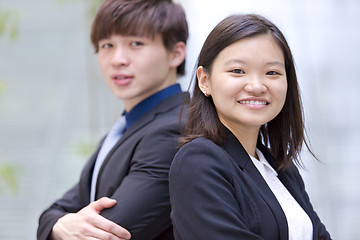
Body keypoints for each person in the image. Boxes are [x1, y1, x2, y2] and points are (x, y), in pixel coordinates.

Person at [169, 14, 331, 240]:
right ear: (204, 81)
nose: (256, 86)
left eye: (272, 72)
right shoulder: (198, 161)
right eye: (238, 71)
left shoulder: (282, 168)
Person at [37, 0, 189, 239]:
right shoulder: (123, 131)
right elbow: (54, 213)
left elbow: (108, 231)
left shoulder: (177, 127)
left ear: (176, 53)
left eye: (136, 43)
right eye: (107, 45)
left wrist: (63, 224)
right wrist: (61, 225)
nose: (118, 59)